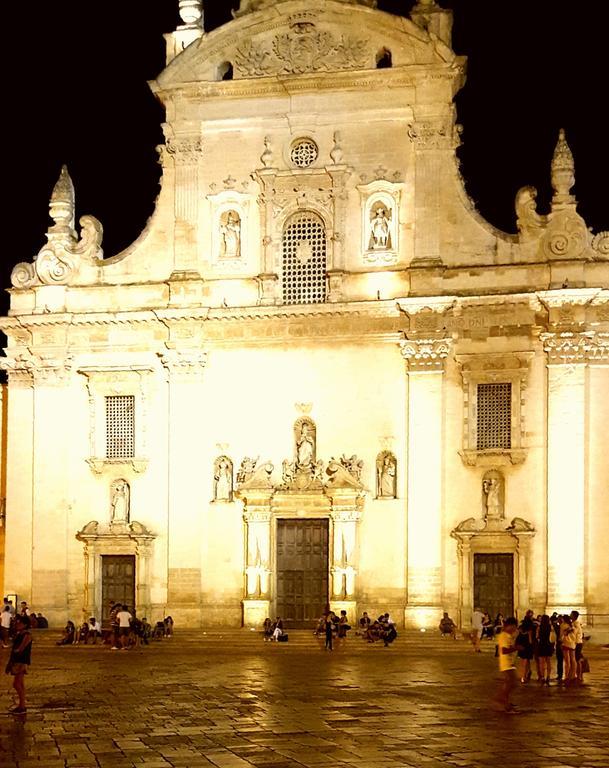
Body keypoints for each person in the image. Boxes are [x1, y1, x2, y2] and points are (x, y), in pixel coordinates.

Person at [491, 616, 521, 713]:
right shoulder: (503, 636)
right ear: (510, 626)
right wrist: (516, 648)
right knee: (511, 683)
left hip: (509, 663)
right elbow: (504, 650)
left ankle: (504, 702)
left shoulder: (507, 635)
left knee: (510, 684)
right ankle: (500, 700)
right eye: (514, 627)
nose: (515, 629)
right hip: (506, 664)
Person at [5, 614, 32, 715]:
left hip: (20, 661)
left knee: (16, 684)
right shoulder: (20, 634)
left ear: (24, 624)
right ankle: (21, 705)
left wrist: (15, 651)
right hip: (18, 660)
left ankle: (22, 705)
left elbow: (21, 648)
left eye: (19, 622)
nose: (17, 624)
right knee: (20, 683)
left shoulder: (26, 635)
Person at [535, 614, 556, 685]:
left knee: (541, 662)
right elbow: (553, 636)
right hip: (548, 645)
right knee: (548, 662)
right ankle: (548, 676)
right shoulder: (551, 627)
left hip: (541, 644)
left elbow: (537, 636)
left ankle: (542, 677)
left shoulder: (539, 627)